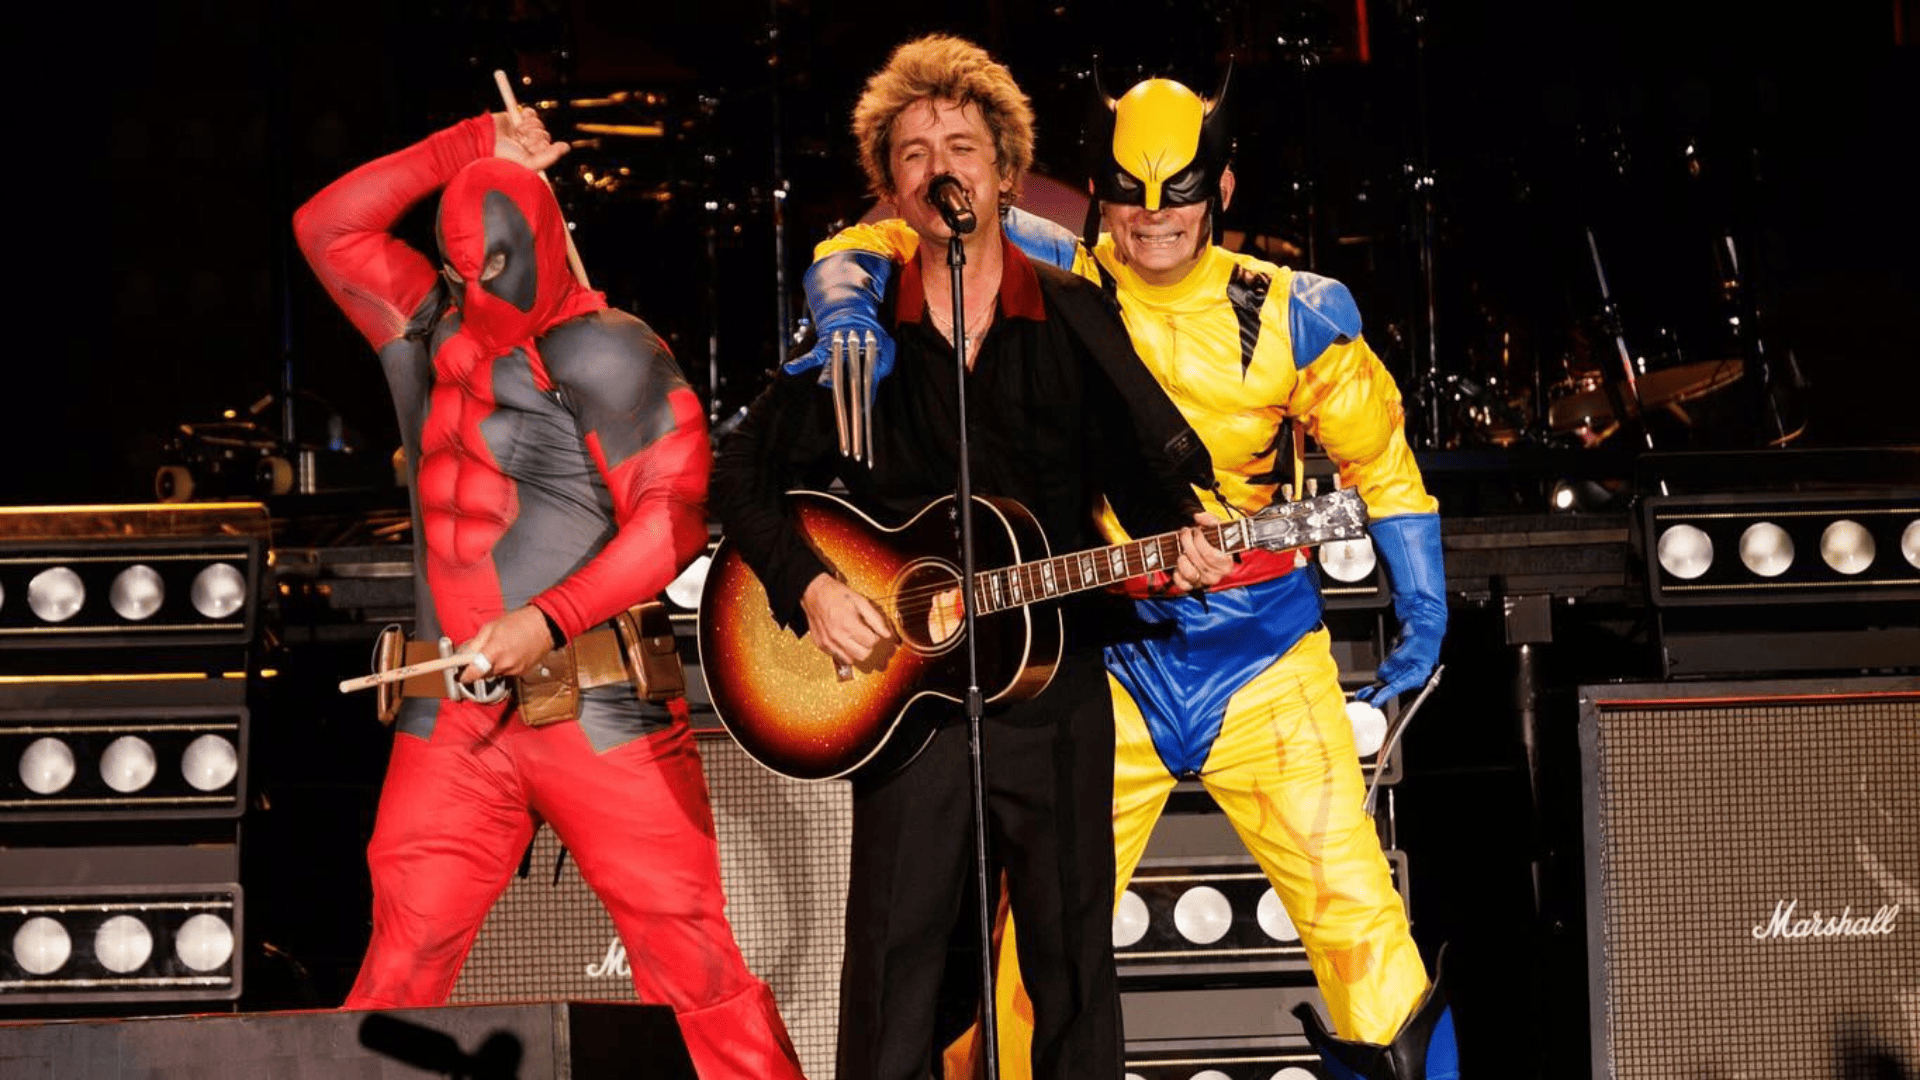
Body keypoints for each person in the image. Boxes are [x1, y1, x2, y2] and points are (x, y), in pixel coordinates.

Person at [804, 72, 1459, 1080]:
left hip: (1263, 660)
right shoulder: (1052, 272)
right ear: (1101, 191)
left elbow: (1386, 467)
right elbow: (889, 234)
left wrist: (1424, 611)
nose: (1153, 220)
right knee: (1036, 961)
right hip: (1105, 655)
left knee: (1362, 932)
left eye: (1178, 193)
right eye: (1130, 193)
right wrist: (843, 297)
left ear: (1223, 186)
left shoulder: (1297, 311)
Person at [709, 34, 1229, 1080]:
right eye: (913, 153)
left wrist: (1184, 540)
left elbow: (1141, 472)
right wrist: (810, 586)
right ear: (891, 188)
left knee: (1073, 958)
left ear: (1002, 170)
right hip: (909, 700)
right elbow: (739, 480)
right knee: (897, 959)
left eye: (960, 144)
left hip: (1053, 684)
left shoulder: (1076, 312)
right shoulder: (860, 337)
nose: (939, 165)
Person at [292, 107, 804, 1079]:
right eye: (460, 267)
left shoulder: (608, 349)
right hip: (453, 716)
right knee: (397, 968)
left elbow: (674, 521)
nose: (475, 285)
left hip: (596, 705)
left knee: (691, 961)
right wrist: (471, 143)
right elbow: (326, 226)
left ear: (543, 246)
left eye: (492, 265)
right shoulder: (422, 328)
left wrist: (548, 616)